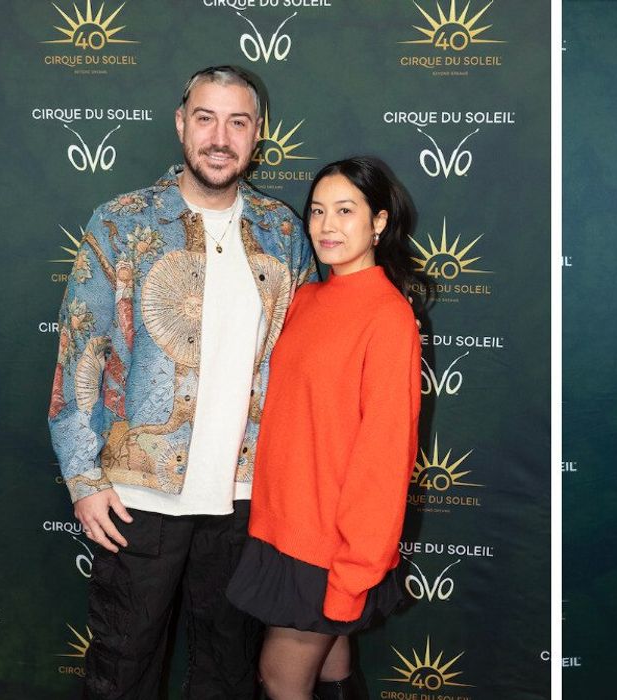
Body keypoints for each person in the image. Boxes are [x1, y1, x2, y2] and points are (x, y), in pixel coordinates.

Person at [48, 65, 313, 698]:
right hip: (139, 500)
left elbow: (307, 354)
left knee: (225, 677)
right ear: (180, 124)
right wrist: (84, 481)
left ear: (257, 135)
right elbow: (80, 352)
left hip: (246, 502)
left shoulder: (282, 233)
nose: (219, 137)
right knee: (122, 672)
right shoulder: (121, 223)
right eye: (206, 118)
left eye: (237, 122)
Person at [226, 156, 425, 700]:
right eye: (317, 211)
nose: (326, 226)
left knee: (278, 677)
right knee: (332, 664)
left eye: (345, 210)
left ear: (379, 222)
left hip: (328, 544)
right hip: (280, 526)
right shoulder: (307, 299)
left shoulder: (388, 316)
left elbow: (384, 456)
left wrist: (352, 572)